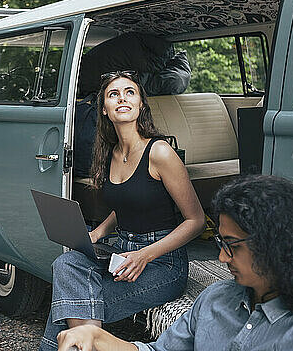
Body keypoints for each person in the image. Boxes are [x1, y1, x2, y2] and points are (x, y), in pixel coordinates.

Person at [56, 175, 293, 351]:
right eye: (220, 244)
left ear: (276, 245)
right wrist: (97, 337)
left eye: (231, 246)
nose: (221, 258)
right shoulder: (216, 299)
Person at [39, 70, 206, 350]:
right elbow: (126, 203)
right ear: (104, 109)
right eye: (113, 94)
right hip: (122, 252)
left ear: (141, 104)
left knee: (69, 309)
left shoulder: (160, 152)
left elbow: (196, 221)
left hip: (162, 263)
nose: (122, 98)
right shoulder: (110, 154)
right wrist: (97, 233)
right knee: (66, 264)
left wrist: (145, 255)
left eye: (130, 92)